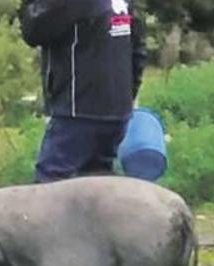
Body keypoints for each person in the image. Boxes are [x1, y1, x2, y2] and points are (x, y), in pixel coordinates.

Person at [21, 0, 148, 183]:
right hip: (117, 111)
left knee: (50, 184)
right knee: (96, 184)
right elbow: (138, 48)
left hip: (77, 109)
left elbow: (33, 30)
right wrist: (129, 94)